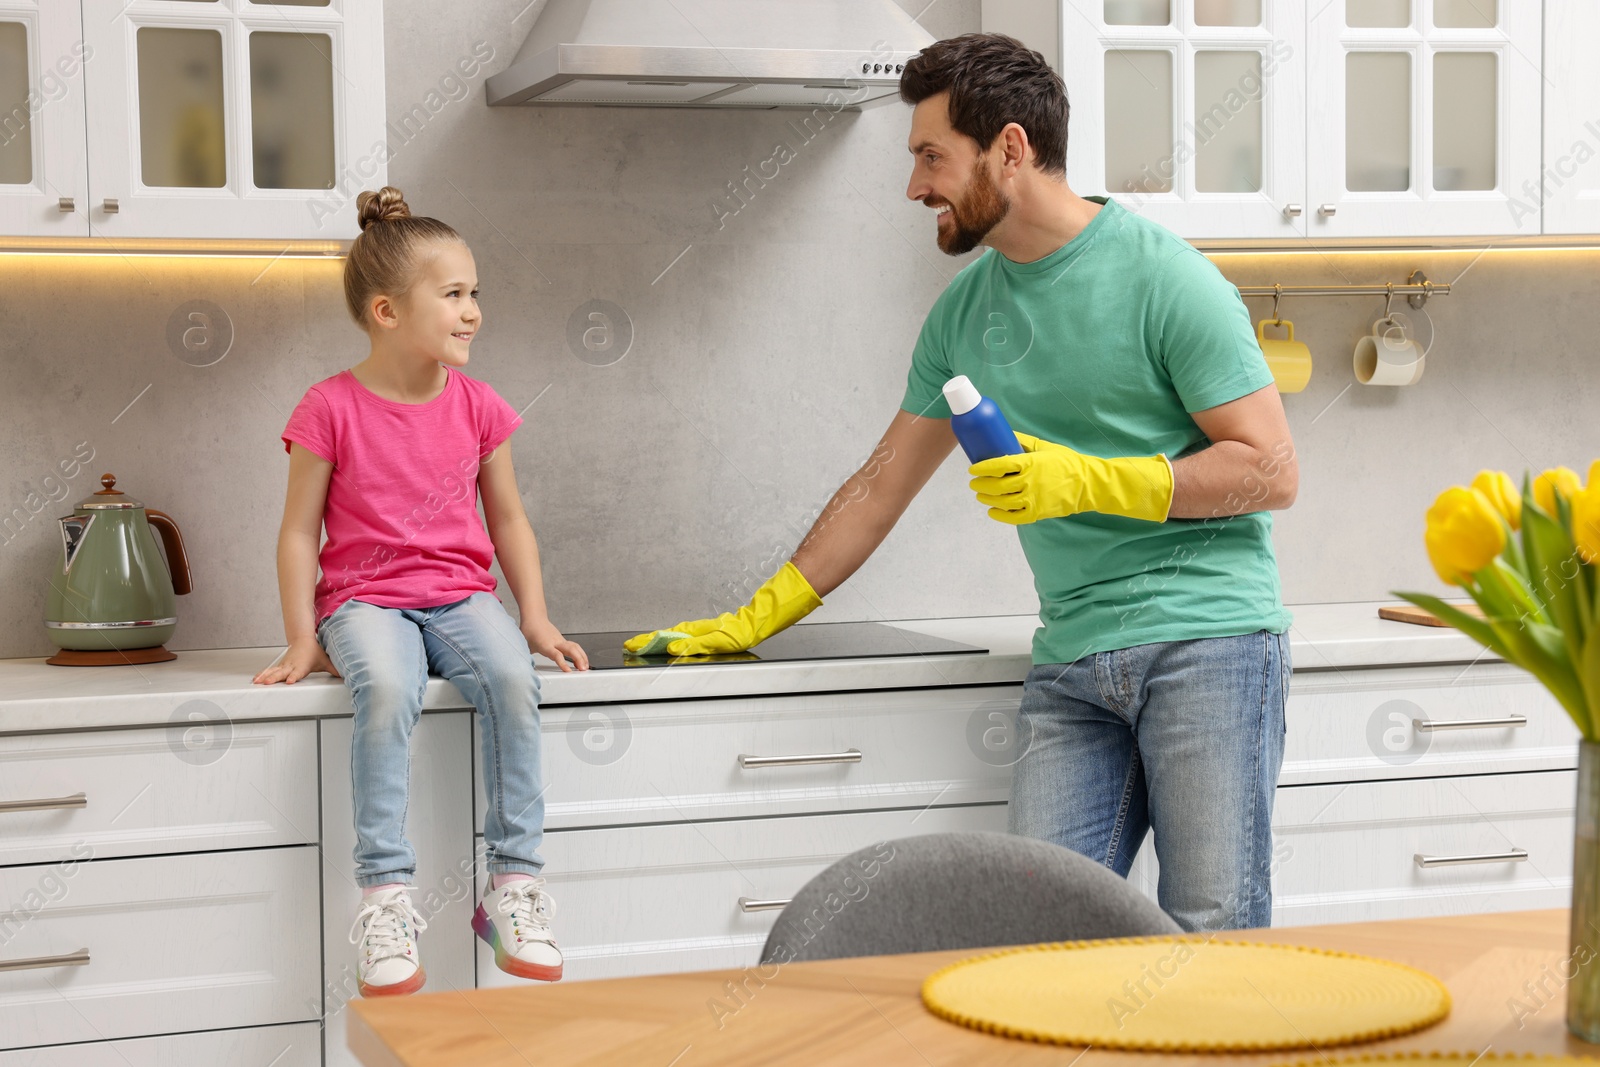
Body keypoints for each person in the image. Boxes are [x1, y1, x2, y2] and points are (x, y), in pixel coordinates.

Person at [628, 34, 1298, 932]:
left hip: (1208, 641)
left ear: (1010, 149)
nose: (915, 186)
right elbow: (880, 485)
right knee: (1038, 940)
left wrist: (1089, 480)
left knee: (1214, 935)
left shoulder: (1165, 278)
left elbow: (1271, 469)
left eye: (931, 157)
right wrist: (757, 614)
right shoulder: (964, 313)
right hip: (1074, 663)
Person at [253, 186, 588, 994]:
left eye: (475, 293)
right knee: (391, 684)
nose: (473, 310)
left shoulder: (479, 407)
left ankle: (513, 886)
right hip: (363, 601)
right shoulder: (328, 408)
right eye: (453, 294)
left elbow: (508, 522)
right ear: (386, 311)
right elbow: (299, 531)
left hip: (459, 595)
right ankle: (386, 899)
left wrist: (534, 617)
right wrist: (304, 637)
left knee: (513, 677)